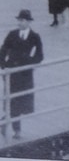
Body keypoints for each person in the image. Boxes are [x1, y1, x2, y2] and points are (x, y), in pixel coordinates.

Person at [0, 10, 43, 139]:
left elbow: (39, 55)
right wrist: (4, 65)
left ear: (29, 22)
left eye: (23, 21)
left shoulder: (34, 36)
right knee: (12, 101)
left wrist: (29, 63)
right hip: (11, 73)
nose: (20, 23)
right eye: (19, 20)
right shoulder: (12, 34)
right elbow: (3, 50)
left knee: (21, 102)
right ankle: (16, 130)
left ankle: (4, 122)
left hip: (25, 74)